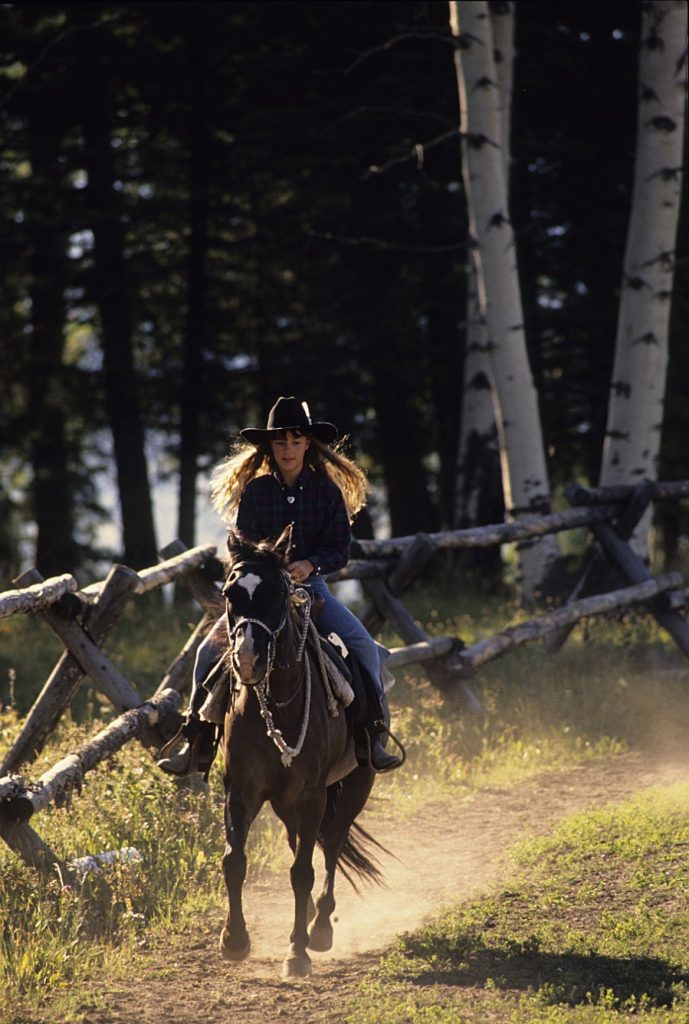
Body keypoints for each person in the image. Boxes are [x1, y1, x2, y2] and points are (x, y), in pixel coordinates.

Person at [158, 395, 403, 776]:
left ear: (308, 443)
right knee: (208, 653)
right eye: (279, 442)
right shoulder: (256, 493)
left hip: (313, 592)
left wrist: (310, 564)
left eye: (294, 440)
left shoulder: (326, 492)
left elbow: (340, 548)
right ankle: (197, 741)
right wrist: (261, 570)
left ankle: (372, 736)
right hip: (260, 598)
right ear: (270, 447)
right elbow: (240, 545)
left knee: (363, 648)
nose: (287, 449)